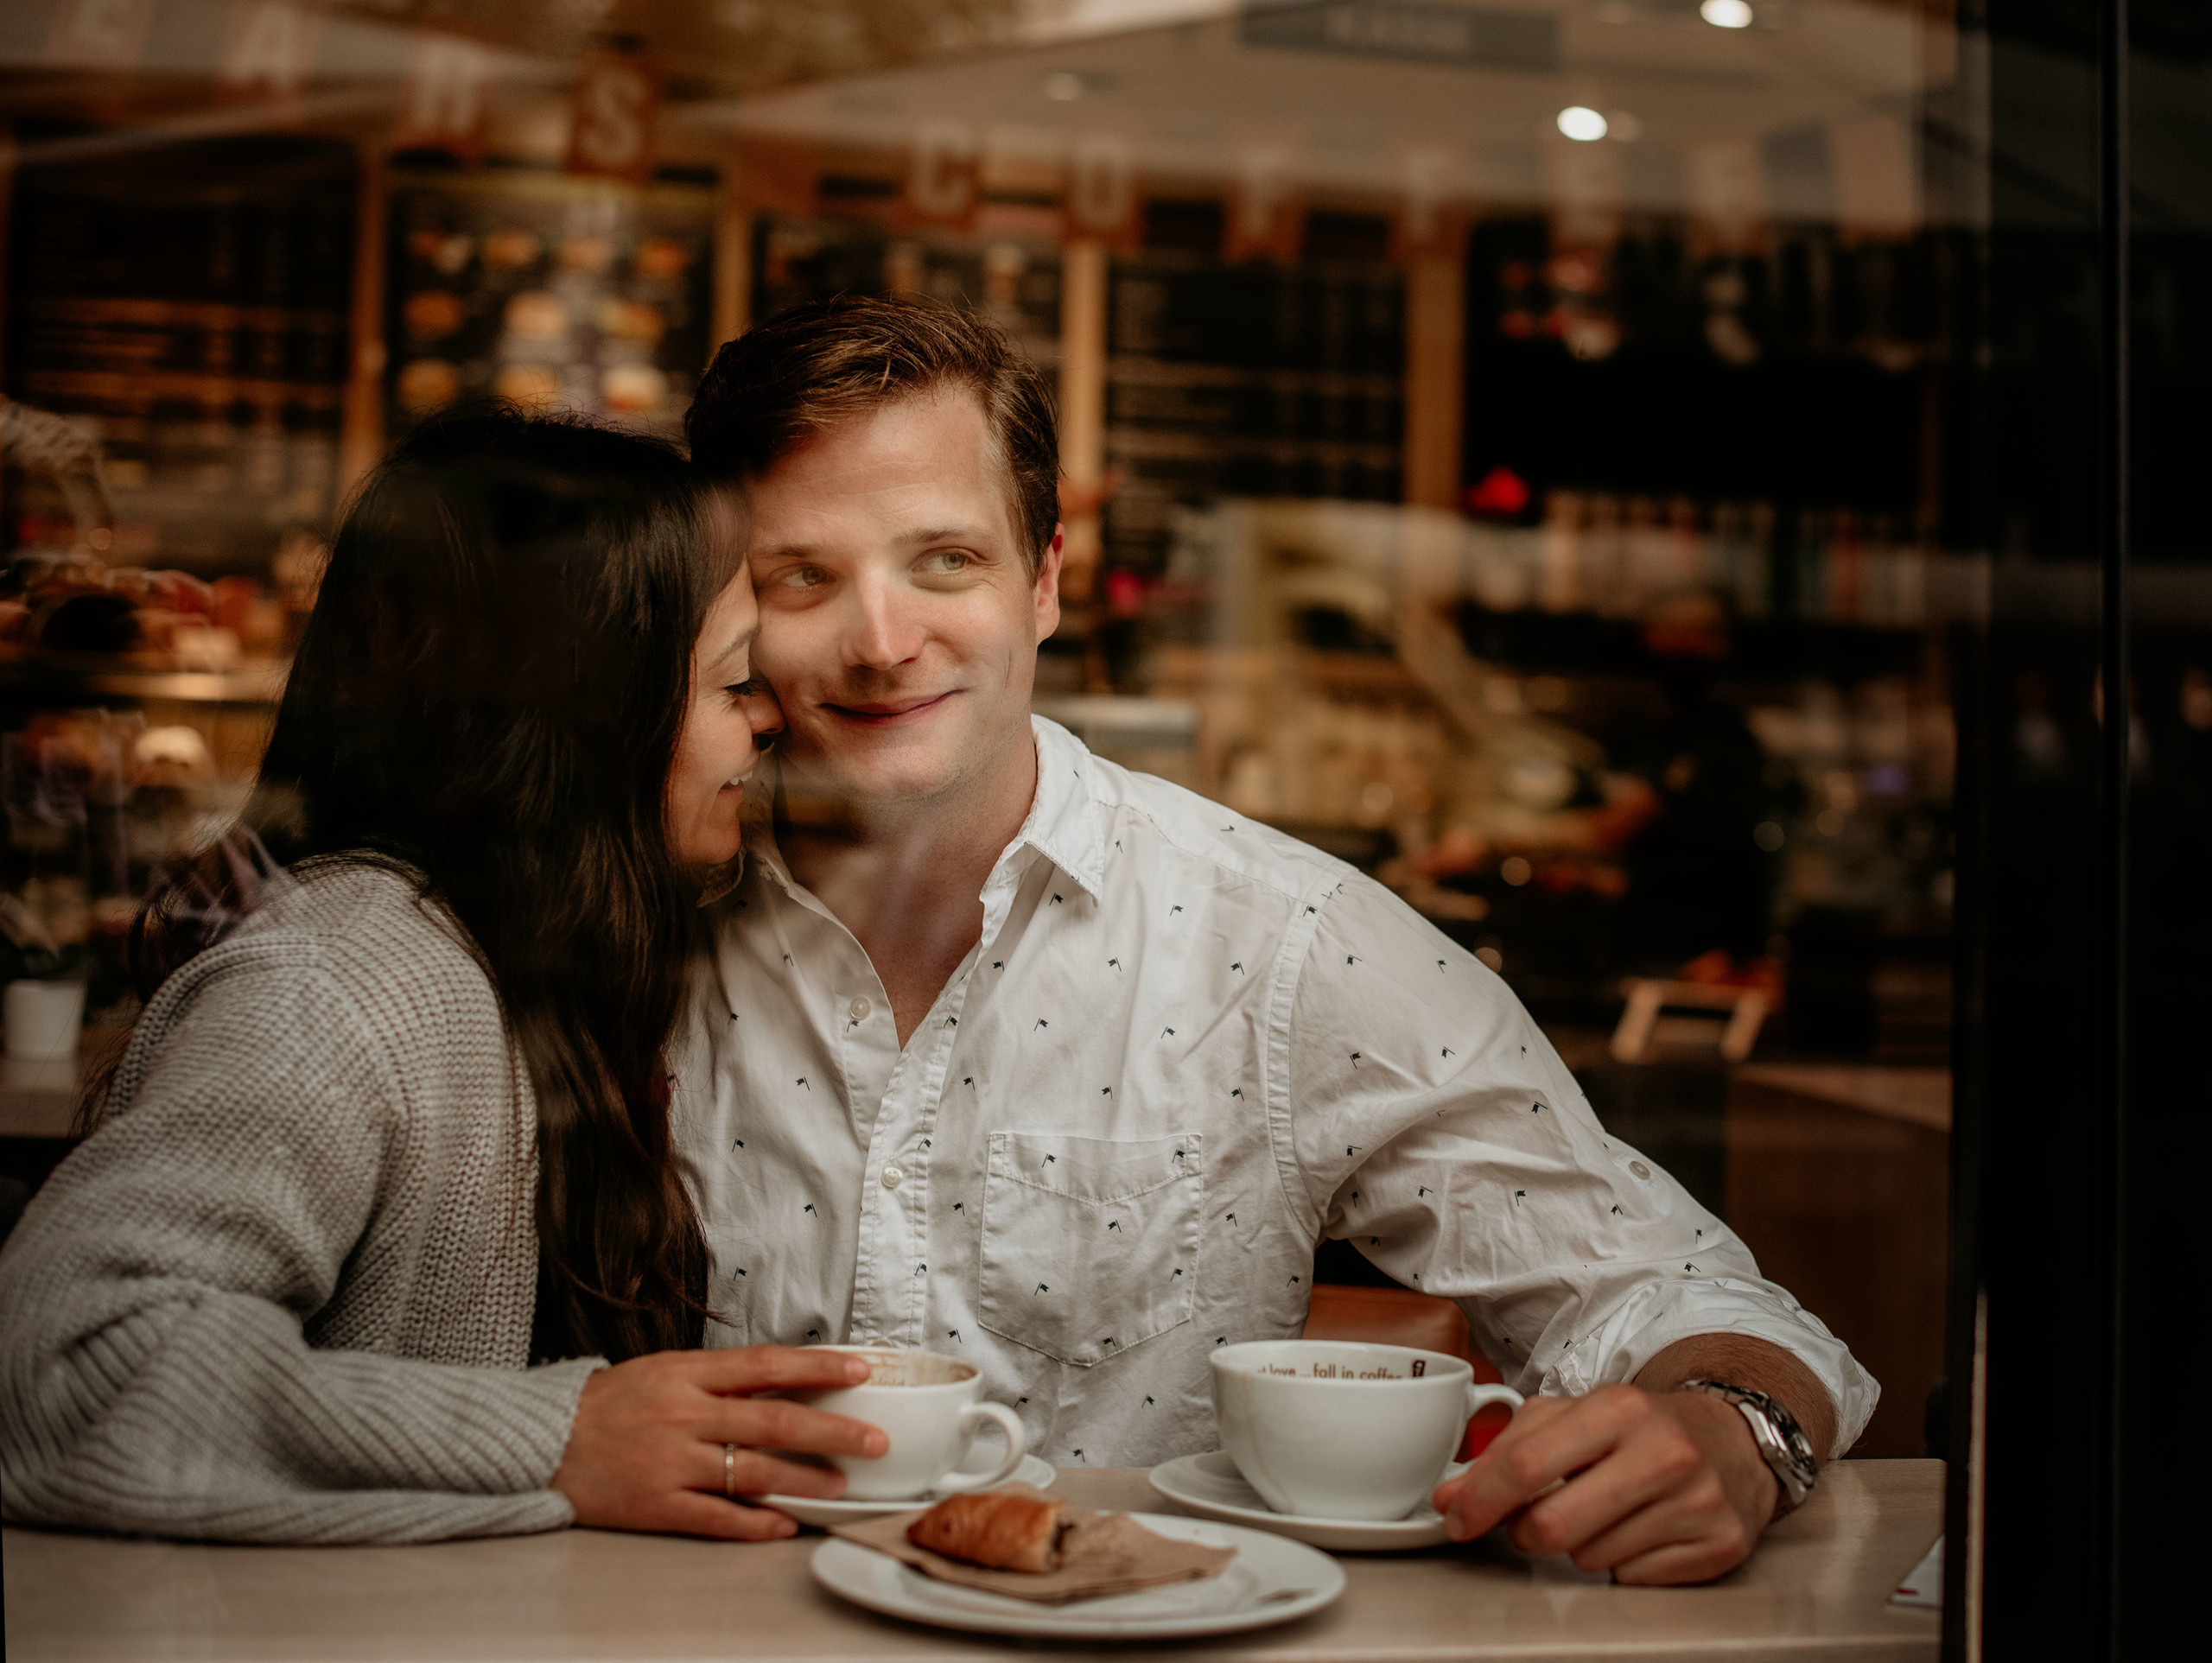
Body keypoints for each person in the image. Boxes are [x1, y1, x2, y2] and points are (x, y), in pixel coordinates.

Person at [676, 296, 1878, 1585]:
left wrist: (1734, 1429)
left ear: (1046, 581)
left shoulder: (1281, 939)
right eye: (805, 576)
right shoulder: (628, 917)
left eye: (946, 562)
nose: (880, 639)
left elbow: (1679, 1291)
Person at [0, 412, 890, 1544]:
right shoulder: (350, 983)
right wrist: (554, 1435)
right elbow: (56, 1361)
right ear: (585, 711)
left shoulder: (544, 969)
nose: (768, 718)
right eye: (731, 683)